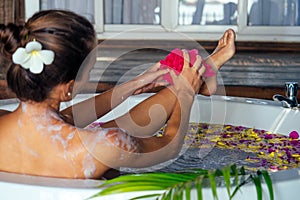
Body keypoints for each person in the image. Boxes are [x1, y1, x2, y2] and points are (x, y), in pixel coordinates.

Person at [0, 10, 235, 179]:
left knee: (92, 131)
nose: (91, 76)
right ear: (68, 86)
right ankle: (196, 77)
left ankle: (199, 74)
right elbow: (167, 146)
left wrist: (134, 84)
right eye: (89, 70)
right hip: (91, 156)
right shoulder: (103, 145)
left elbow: (59, 121)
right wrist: (185, 95)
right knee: (116, 132)